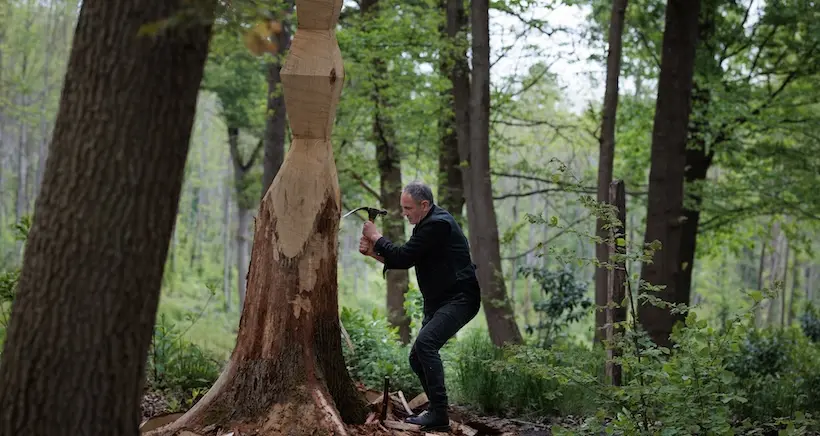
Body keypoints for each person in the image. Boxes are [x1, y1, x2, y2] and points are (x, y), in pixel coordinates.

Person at [358, 181, 481, 432]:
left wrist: (375, 236)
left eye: (408, 208)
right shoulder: (426, 224)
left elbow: (402, 255)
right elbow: (406, 261)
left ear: (424, 205)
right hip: (440, 301)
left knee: (426, 345)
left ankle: (439, 414)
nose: (404, 213)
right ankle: (437, 410)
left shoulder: (438, 224)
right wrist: (373, 253)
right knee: (417, 358)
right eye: (403, 208)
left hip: (460, 299)